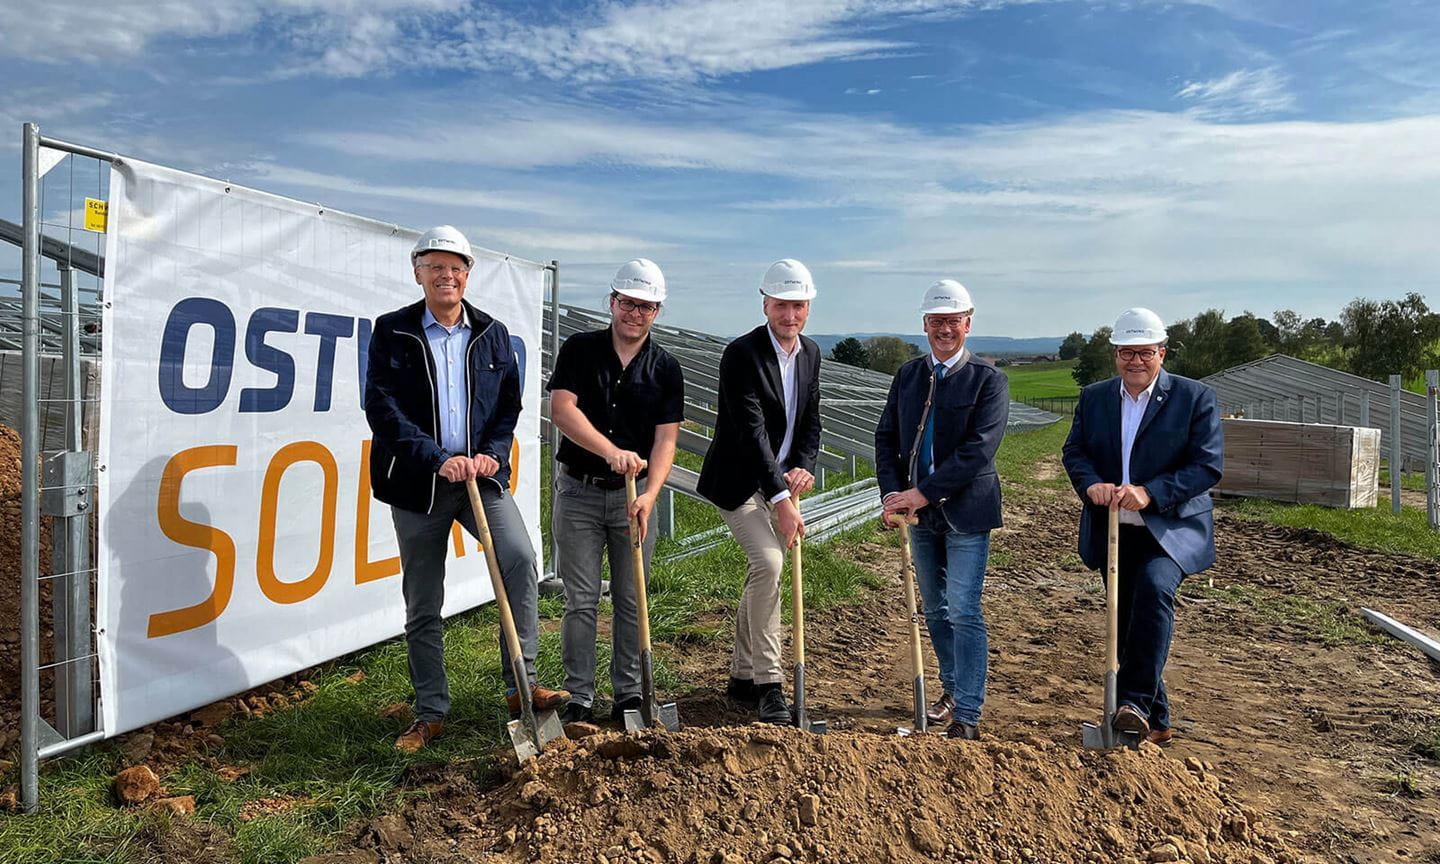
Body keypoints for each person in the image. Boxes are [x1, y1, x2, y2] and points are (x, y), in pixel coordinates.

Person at [364, 225, 567, 753]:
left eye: (455, 267)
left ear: (468, 274)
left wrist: (491, 454)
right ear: (418, 273)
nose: (446, 275)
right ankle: (430, 710)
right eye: (435, 266)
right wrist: (437, 459)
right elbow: (382, 409)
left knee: (520, 560)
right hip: (418, 485)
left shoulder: (491, 333)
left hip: (481, 478)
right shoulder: (394, 331)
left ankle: (521, 688)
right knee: (424, 597)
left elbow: (507, 406)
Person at [1061, 307, 1223, 746]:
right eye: (1127, 353)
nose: (1136, 361)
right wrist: (1091, 484)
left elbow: (1206, 467)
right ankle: (1158, 722)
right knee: (1126, 619)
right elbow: (1075, 451)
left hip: (1169, 530)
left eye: (1145, 353)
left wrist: (1151, 491)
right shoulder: (1095, 398)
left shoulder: (1194, 398)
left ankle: (1132, 703)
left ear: (1162, 352)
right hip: (1114, 527)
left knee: (1153, 593)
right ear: (1115, 353)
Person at [547, 259, 684, 724]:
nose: (635, 313)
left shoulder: (665, 368)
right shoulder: (580, 349)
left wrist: (650, 495)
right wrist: (610, 451)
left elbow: (666, 440)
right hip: (580, 493)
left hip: (634, 500)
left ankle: (628, 694)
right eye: (627, 303)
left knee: (631, 597)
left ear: (657, 312)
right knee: (581, 597)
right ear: (612, 302)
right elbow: (562, 410)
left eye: (645, 307)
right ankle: (578, 695)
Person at [875, 280, 1009, 740]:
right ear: (924, 325)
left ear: (967, 324)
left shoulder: (988, 380)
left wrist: (922, 493)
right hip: (919, 515)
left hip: (967, 512)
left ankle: (968, 713)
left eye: (953, 320)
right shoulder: (909, 375)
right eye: (937, 321)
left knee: (964, 610)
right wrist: (894, 496)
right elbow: (887, 437)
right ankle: (952, 690)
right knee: (934, 609)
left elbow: (978, 451)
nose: (945, 329)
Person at [697, 259, 822, 725]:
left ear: (808, 307)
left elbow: (810, 420)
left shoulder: (810, 353)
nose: (791, 315)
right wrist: (782, 500)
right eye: (783, 305)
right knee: (769, 562)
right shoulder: (742, 354)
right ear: (766, 303)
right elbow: (750, 434)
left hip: (779, 479)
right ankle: (770, 684)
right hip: (739, 481)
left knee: (763, 572)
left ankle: (741, 675)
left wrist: (803, 467)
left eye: (799, 306)